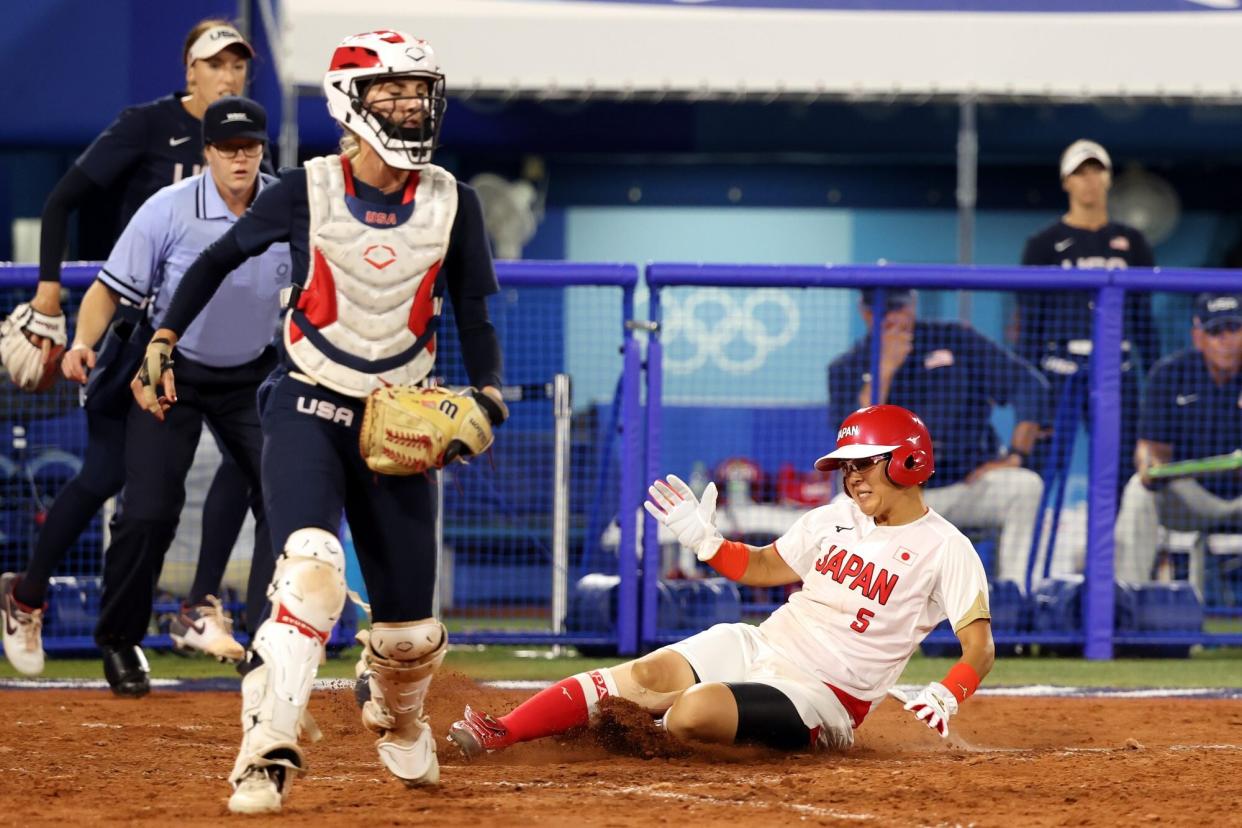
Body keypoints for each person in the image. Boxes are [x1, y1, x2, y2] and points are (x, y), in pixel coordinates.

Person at [133, 30, 508, 813]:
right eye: (392, 93)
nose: (410, 106)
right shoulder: (306, 188)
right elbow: (215, 259)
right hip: (306, 401)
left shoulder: (454, 201)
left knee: (407, 637)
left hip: (397, 421)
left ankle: (396, 707)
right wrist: (163, 337)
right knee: (308, 572)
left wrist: (491, 392)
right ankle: (264, 749)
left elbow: (471, 310)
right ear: (350, 101)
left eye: (419, 93)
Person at [448, 405, 994, 758]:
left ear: (908, 462)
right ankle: (504, 730)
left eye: (865, 464)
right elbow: (762, 566)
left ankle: (626, 737)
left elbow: (980, 647)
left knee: (693, 710)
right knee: (648, 672)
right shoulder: (832, 516)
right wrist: (706, 544)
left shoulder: (946, 547)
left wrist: (951, 690)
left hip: (824, 695)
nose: (852, 477)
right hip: (762, 643)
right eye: (846, 468)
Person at [0, 19, 263, 678]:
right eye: (215, 63)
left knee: (260, 469)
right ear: (188, 70)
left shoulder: (266, 180)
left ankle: (202, 605)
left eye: (238, 65)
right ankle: (29, 598)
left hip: (230, 349)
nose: (228, 74)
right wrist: (51, 296)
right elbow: (63, 201)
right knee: (115, 483)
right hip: (138, 329)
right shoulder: (146, 130)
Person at [53, 97, 288, 698]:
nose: (241, 159)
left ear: (264, 149)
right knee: (149, 510)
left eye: (251, 148)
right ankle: (121, 638)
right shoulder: (168, 207)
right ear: (207, 152)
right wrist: (82, 340)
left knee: (285, 497)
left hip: (252, 374)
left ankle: (264, 641)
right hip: (170, 371)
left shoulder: (290, 206)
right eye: (228, 149)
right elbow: (110, 288)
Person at [828, 289, 1049, 589]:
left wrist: (1015, 456)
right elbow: (854, 445)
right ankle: (863, 614)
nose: (893, 317)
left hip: (965, 483)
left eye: (899, 307)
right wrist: (885, 369)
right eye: (882, 311)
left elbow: (1029, 385)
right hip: (896, 494)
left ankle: (1017, 600)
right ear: (865, 314)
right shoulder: (847, 367)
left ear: (913, 305)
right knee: (845, 508)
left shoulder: (955, 339)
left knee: (1024, 487)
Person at [1018, 139, 1160, 488]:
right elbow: (1030, 324)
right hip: (1059, 369)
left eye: (1097, 170)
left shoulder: (1133, 241)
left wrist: (1153, 381)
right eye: (1080, 172)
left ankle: (1116, 544)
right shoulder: (1043, 243)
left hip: (1116, 370)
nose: (1089, 180)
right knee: (1042, 468)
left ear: (1110, 178)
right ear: (1066, 181)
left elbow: (1144, 320)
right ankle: (1034, 542)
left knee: (1124, 471)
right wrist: (1029, 396)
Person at [1115, 292, 1242, 584]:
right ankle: (1126, 601)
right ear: (1198, 337)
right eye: (1215, 332)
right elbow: (1150, 448)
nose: (1226, 340)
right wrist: (1149, 464)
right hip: (1192, 496)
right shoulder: (1170, 373)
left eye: (1233, 329)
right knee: (1138, 490)